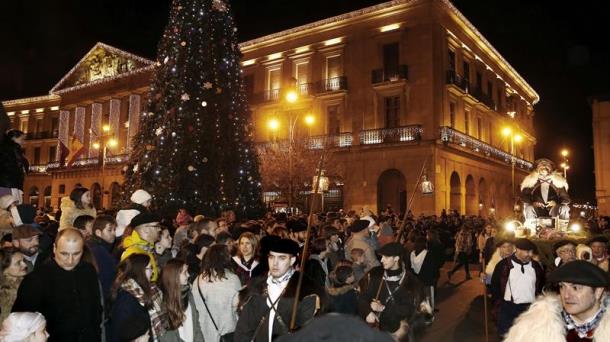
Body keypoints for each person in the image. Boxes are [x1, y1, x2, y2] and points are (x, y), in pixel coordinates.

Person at [12, 228, 102, 342]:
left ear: (83, 250)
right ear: (54, 248)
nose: (70, 260)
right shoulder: (36, 280)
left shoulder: (88, 271)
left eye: (76, 254)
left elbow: (96, 310)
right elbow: (19, 324)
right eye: (64, 253)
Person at [234, 239, 320, 342]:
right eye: (271, 257)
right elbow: (244, 329)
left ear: (292, 260)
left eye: (282, 258)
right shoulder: (257, 287)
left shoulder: (305, 290)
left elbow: (308, 333)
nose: (275, 263)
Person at [504, 260, 610, 341]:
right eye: (562, 286)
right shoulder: (536, 325)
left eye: (575, 288)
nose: (566, 295)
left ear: (598, 292)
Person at [358, 242, 430, 338]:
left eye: (386, 257)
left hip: (401, 332)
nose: (382, 260)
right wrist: (367, 312)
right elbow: (363, 296)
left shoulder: (411, 281)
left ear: (396, 258)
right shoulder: (376, 275)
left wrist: (383, 308)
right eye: (382, 256)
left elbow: (409, 309)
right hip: (380, 329)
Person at [491, 238, 545, 339]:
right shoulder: (504, 265)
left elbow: (541, 284)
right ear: (517, 249)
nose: (530, 254)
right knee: (507, 336)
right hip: (508, 309)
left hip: (529, 309)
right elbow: (495, 285)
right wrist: (498, 303)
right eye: (527, 251)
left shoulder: (535, 266)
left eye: (532, 252)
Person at [111, 253, 165, 342]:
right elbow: (122, 333)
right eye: (150, 268)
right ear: (140, 271)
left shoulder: (143, 293)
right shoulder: (126, 299)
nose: (153, 271)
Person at [193, 244, 241, 342]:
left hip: (205, 335)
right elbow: (237, 308)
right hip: (227, 334)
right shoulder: (233, 279)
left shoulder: (198, 280)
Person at [159, 259, 203, 342]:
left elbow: (196, 324)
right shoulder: (165, 303)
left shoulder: (188, 293)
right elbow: (168, 336)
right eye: (185, 272)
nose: (188, 275)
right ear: (175, 276)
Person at [520, 158, 570, 228]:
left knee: (565, 208)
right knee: (529, 208)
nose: (544, 166)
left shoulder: (558, 182)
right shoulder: (531, 181)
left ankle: (562, 229)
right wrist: (533, 203)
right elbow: (524, 196)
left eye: (547, 165)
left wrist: (555, 203)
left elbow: (566, 199)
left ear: (551, 168)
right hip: (537, 209)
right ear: (537, 168)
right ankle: (531, 230)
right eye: (541, 165)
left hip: (554, 210)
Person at [121, 213, 162, 282]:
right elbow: (133, 286)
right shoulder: (133, 253)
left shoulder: (147, 249)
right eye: (156, 226)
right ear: (145, 230)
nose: (160, 229)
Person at [88, 215, 118, 303]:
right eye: (109, 230)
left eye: (114, 230)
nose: (114, 233)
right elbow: (106, 280)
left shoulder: (103, 248)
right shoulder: (98, 251)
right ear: (98, 232)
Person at [0, 248, 27, 324]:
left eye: (24, 261)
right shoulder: (2, 292)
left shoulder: (30, 283)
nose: (24, 265)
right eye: (18, 263)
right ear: (5, 270)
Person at [0, 129, 28, 204]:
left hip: (8, 184)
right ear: (14, 138)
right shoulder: (13, 149)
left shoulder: (9, 149)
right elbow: (15, 166)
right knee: (11, 210)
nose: (23, 142)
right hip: (9, 185)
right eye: (22, 139)